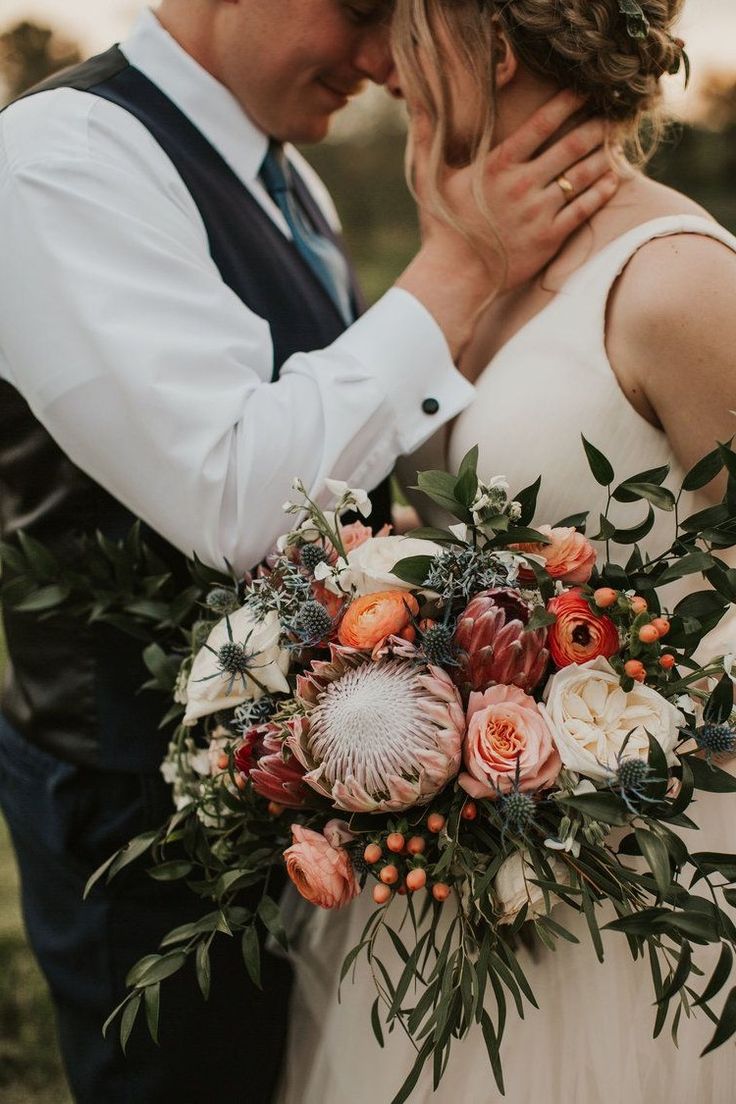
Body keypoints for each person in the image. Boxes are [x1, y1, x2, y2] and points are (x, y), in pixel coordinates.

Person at [0, 1, 618, 1101]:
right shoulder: (61, 157)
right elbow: (241, 499)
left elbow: (344, 456)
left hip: (329, 785)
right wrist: (465, 261)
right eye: (365, 7)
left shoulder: (283, 174)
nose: (387, 60)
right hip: (141, 820)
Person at [276, 2, 736, 1103]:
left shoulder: (677, 284)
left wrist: (591, 745)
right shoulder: (478, 256)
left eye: (406, 21)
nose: (380, 56)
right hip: (458, 883)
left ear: (494, 35)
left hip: (636, 891)